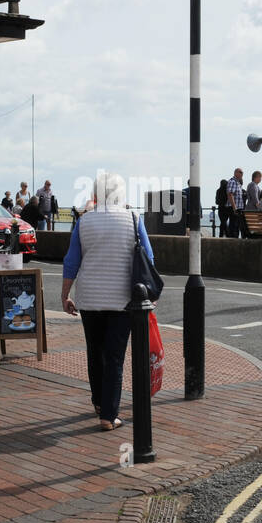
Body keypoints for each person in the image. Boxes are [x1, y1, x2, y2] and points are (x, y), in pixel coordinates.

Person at [60, 172, 155, 431]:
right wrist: (148, 294)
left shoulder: (84, 221)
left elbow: (71, 261)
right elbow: (149, 258)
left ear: (96, 194)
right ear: (121, 194)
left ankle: (100, 403)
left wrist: (65, 295)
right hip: (122, 299)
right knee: (114, 356)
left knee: (95, 352)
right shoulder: (134, 219)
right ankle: (109, 415)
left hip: (89, 298)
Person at [225, 167, 246, 238]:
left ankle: (235, 237)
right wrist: (234, 208)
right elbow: (230, 194)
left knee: (236, 225)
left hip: (238, 207)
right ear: (236, 173)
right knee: (234, 225)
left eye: (242, 173)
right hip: (234, 207)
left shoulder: (238, 183)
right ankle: (233, 239)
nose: (242, 174)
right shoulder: (232, 182)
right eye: (240, 172)